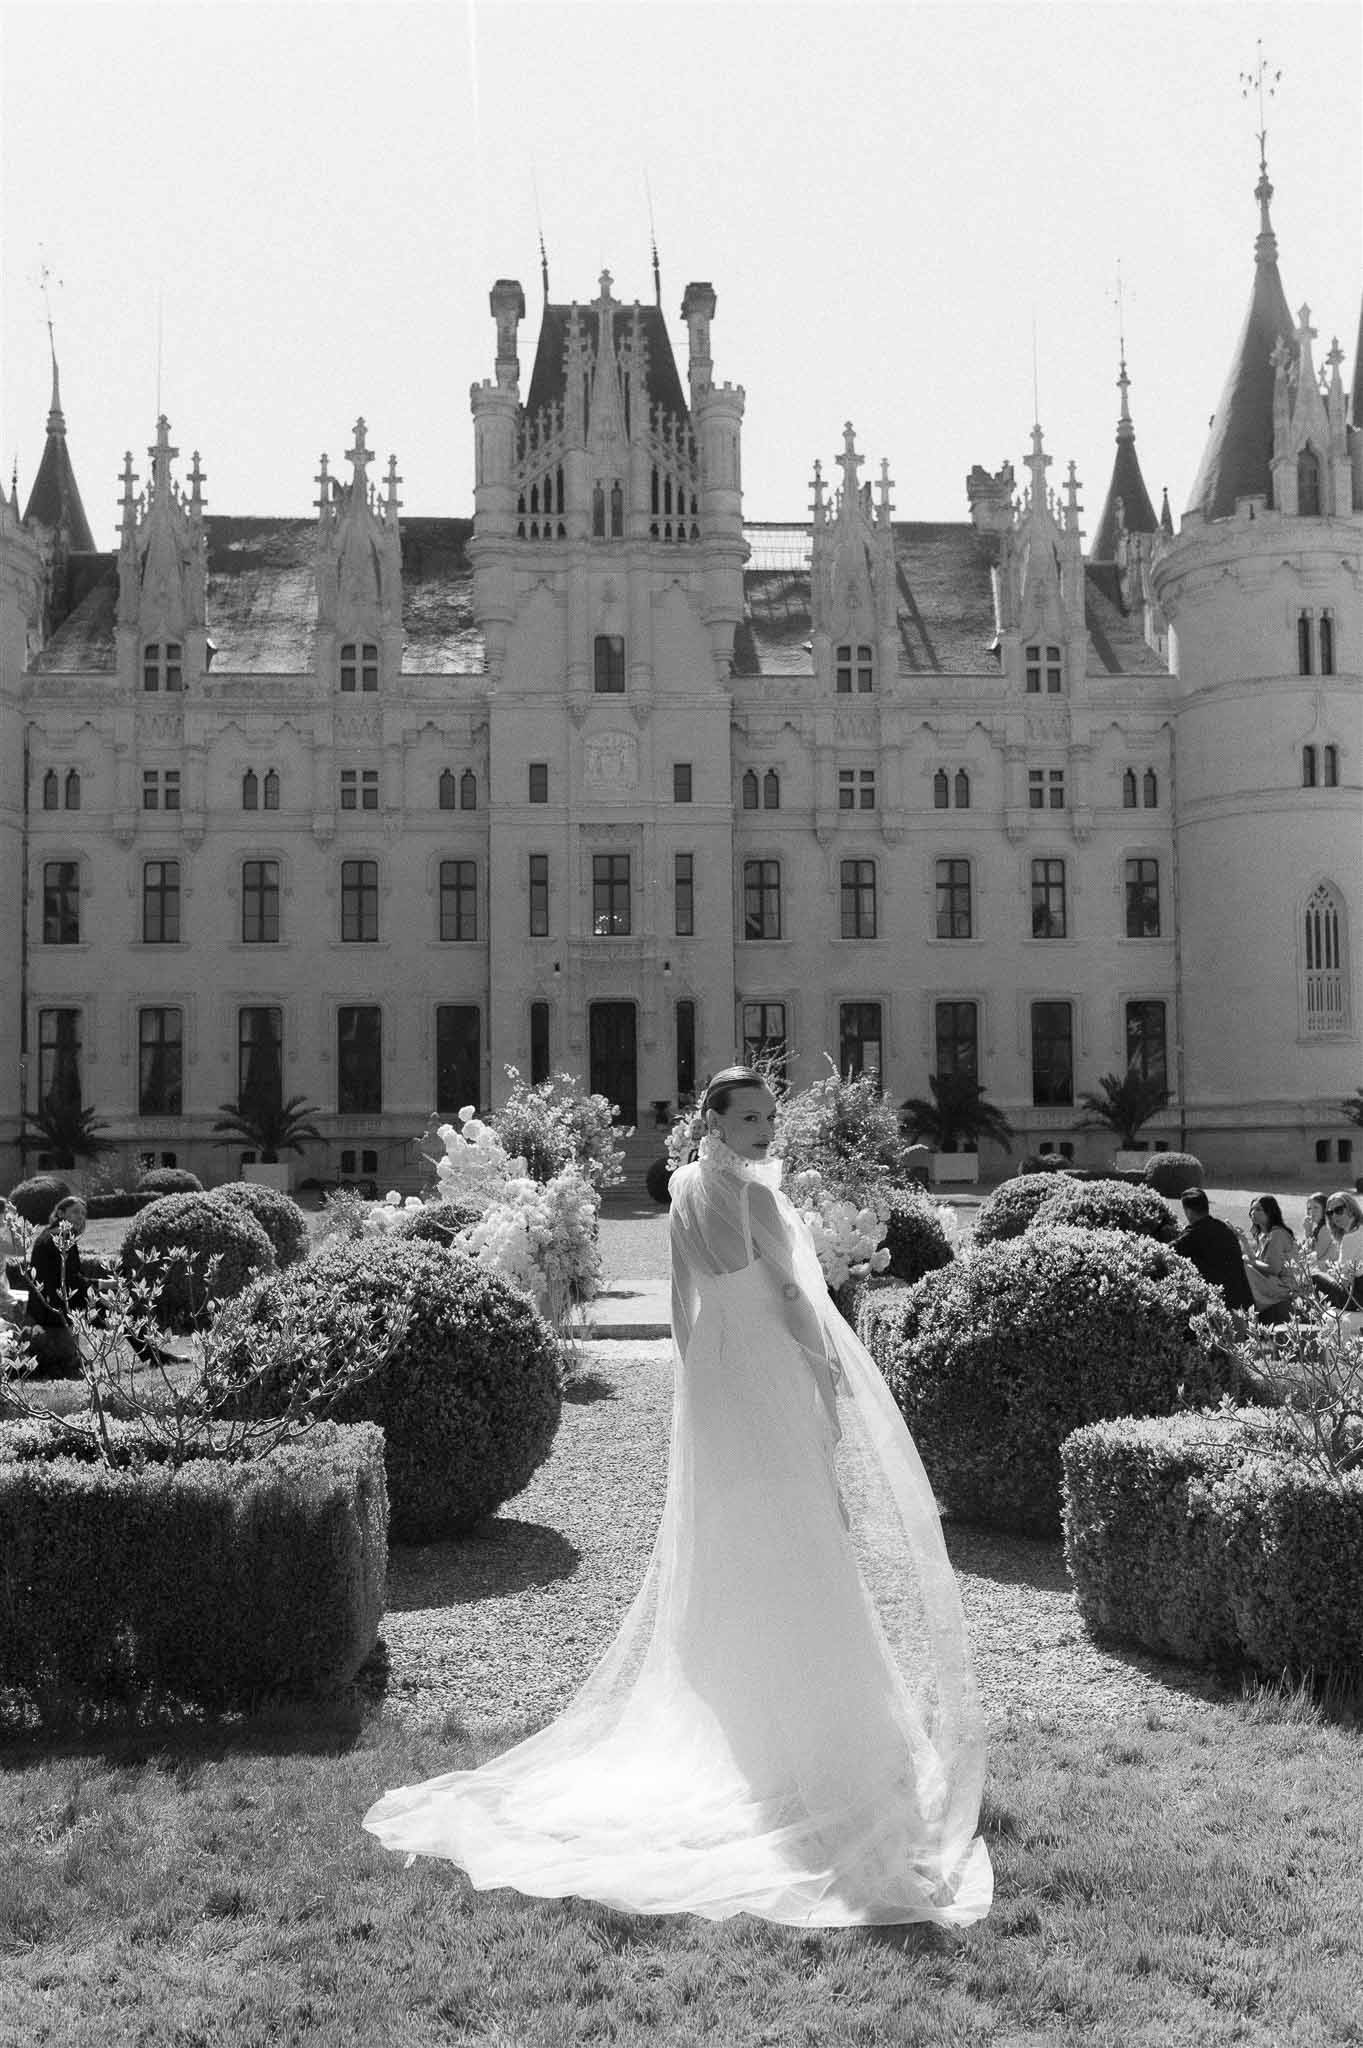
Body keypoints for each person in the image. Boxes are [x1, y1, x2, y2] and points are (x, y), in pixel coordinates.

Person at [364, 1066, 992, 1928]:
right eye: (750, 1117)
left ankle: (746, 1717)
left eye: (771, 1114)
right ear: (716, 1121)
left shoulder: (688, 1188)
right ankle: (808, 1739)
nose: (767, 1128)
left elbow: (684, 1305)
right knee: (801, 1536)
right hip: (767, 1372)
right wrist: (825, 1393)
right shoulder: (761, 1206)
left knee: (739, 1537)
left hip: (718, 1385)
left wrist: (696, 1392)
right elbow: (803, 1312)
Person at [1171, 1188, 1253, 1312]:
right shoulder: (1224, 1229)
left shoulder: (1193, 1234)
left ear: (1188, 1211)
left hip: (1219, 1307)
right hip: (1243, 1302)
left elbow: (1167, 1251)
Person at [1234, 1195, 1299, 1324]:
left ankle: (1249, 1315)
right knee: (1241, 1263)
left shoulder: (1277, 1234)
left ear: (1270, 1212)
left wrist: (1249, 1261)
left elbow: (1273, 1269)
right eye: (1252, 1209)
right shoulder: (1263, 1235)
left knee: (1243, 1268)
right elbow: (1258, 1261)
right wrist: (1243, 1241)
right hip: (1272, 1282)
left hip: (1285, 1286)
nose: (1253, 1213)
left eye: (1258, 1209)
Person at [1310, 1189, 1363, 1312]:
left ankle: (1314, 1318)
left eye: (1339, 1210)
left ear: (1351, 1209)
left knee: (1314, 1277)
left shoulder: (1350, 1237)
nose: (1334, 1216)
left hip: (1357, 1298)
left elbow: (1344, 1279)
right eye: (1329, 1213)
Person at [1301, 1192, 1332, 1265]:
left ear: (1325, 1209)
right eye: (1309, 1208)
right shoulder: (1318, 1227)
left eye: (1316, 1207)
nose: (1312, 1212)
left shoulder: (1326, 1229)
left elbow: (1313, 1256)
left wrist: (1308, 1232)